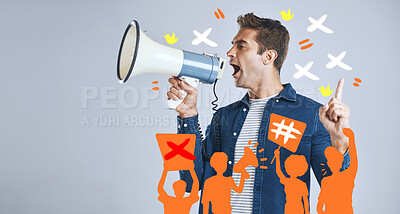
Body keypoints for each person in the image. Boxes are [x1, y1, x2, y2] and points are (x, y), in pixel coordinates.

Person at [168, 13, 351, 213]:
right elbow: (189, 181)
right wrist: (187, 116)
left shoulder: (312, 115)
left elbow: (336, 188)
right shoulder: (224, 117)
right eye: (232, 44)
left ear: (268, 56)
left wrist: (340, 139)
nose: (229, 52)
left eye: (241, 45)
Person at [317, 128, 358, 214]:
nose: (332, 164)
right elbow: (320, 206)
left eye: (334, 161)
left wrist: (351, 138)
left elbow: (354, 160)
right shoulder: (326, 181)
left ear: (340, 162)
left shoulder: (348, 176)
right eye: (330, 162)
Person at [274, 149, 310, 214]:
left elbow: (278, 171)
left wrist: (277, 156)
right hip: (294, 207)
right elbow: (305, 199)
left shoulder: (288, 181)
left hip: (291, 207)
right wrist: (307, 211)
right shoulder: (302, 184)